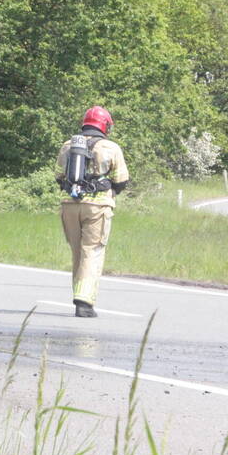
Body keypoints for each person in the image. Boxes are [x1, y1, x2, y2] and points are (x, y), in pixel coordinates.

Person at [55, 106, 129, 318]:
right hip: (97, 208)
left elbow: (59, 175)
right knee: (92, 251)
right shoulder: (111, 147)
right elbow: (121, 180)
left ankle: (79, 294)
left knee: (78, 252)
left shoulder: (68, 145)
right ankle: (85, 302)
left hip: (69, 205)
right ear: (105, 125)